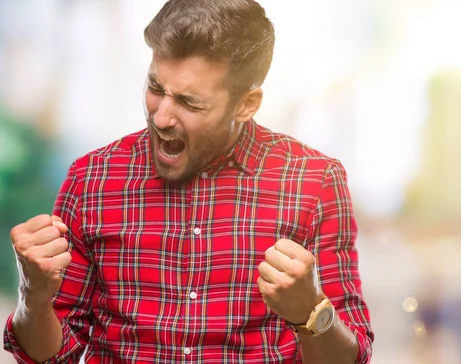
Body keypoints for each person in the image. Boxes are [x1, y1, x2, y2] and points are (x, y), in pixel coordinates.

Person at [3, 0, 374, 362]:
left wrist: (310, 312)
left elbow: (350, 357)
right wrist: (33, 296)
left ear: (246, 104)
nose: (161, 116)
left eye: (190, 102)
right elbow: (50, 357)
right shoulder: (92, 180)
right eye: (155, 87)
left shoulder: (314, 182)